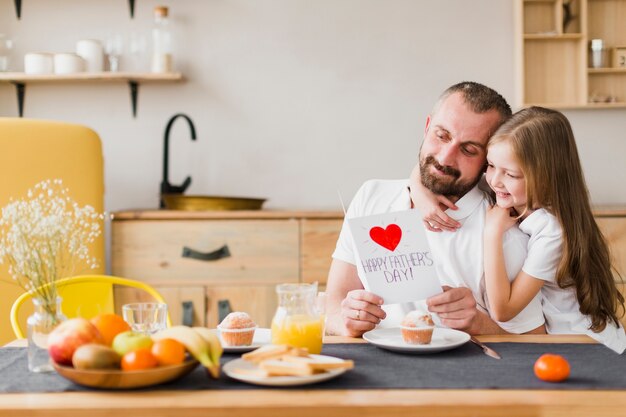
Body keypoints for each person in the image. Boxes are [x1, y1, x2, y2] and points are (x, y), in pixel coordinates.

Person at [325, 81, 546, 337]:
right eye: (441, 136)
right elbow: (333, 305)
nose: (445, 158)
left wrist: (478, 323)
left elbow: (536, 342)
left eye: (469, 149)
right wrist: (346, 321)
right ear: (427, 126)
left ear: (489, 160)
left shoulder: (505, 233)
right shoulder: (371, 195)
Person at [480, 106, 626, 353]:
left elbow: (503, 309)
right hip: (574, 344)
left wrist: (492, 233)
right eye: (491, 165)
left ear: (545, 177)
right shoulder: (522, 200)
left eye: (511, 174)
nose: (494, 180)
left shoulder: (551, 230)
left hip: (591, 348)